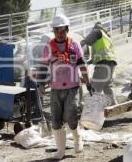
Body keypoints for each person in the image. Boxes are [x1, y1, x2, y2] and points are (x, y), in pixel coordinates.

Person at [38, 14, 92, 159]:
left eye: (62, 31)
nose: (59, 34)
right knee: (55, 120)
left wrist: (88, 82)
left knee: (71, 114)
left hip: (73, 86)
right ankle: (60, 150)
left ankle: (77, 138)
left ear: (67, 30)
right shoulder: (49, 47)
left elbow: (82, 64)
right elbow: (43, 67)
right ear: (53, 31)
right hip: (55, 88)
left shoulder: (75, 45)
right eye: (56, 31)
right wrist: (41, 84)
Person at [80, 22, 118, 105]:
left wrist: (76, 49)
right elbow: (99, 55)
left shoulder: (96, 31)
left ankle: (90, 109)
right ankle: (114, 106)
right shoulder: (106, 37)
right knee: (107, 86)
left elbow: (85, 42)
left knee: (95, 88)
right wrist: (88, 62)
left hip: (103, 64)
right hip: (111, 63)